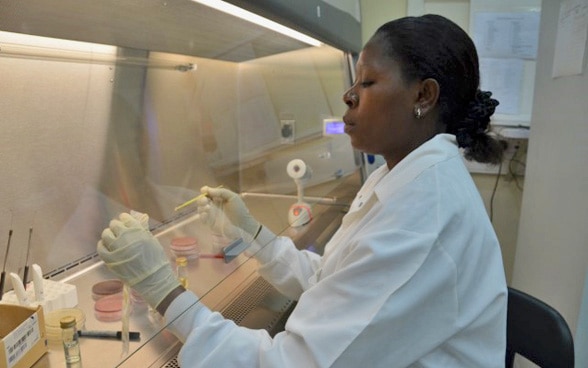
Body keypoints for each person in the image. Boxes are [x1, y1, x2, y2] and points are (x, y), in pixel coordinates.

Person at [98, 14, 507, 367]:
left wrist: (162, 291)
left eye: (366, 82)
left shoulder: (424, 218)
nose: (348, 96)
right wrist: (252, 236)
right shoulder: (402, 177)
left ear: (423, 95)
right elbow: (335, 284)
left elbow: (292, 364)